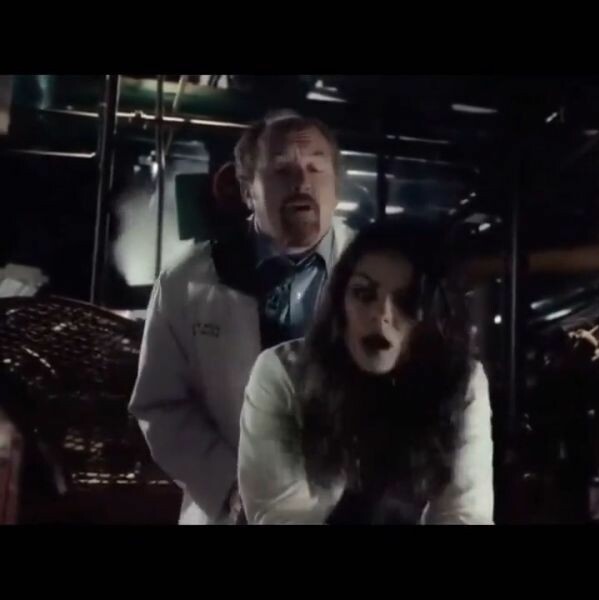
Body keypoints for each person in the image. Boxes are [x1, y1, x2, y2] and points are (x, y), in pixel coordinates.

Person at [129, 111, 354, 524]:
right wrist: (231, 486)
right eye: (282, 169)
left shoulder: (375, 274)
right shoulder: (187, 282)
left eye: (316, 168)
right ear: (248, 190)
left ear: (336, 187)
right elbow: (160, 404)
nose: (302, 182)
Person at [238, 219, 494, 524]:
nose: (381, 314)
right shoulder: (283, 373)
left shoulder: (461, 380)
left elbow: (465, 515)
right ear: (340, 301)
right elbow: (282, 517)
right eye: (364, 293)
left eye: (407, 301)